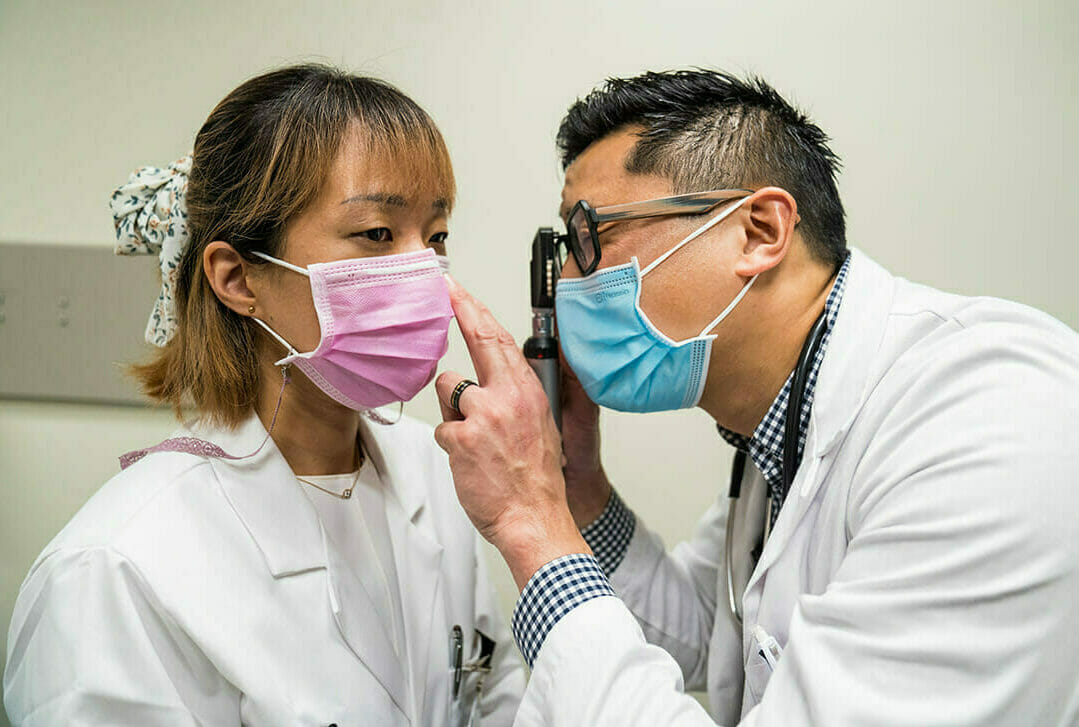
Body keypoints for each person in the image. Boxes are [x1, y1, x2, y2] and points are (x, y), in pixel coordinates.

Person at [432, 69, 1079, 725]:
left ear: (760, 231)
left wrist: (530, 525)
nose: (568, 280)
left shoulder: (987, 417)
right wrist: (578, 484)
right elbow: (705, 633)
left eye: (587, 237)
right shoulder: (785, 424)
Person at [3, 64, 524, 726]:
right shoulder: (114, 569)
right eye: (376, 234)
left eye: (436, 235)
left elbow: (494, 697)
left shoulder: (440, 468)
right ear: (238, 277)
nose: (424, 271)